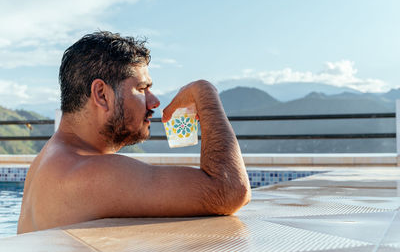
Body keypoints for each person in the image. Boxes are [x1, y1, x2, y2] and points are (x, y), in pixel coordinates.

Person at [17, 31, 251, 234]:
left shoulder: (47, 161)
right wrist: (205, 92)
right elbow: (229, 190)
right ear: (101, 94)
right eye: (142, 88)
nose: (155, 101)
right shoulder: (90, 174)